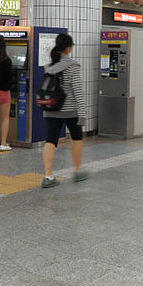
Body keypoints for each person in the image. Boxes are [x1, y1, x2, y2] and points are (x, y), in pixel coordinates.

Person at [41, 33, 88, 188]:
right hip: (70, 111)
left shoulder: (49, 66)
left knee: (51, 140)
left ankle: (48, 176)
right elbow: (78, 91)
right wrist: (82, 113)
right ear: (68, 47)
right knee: (77, 138)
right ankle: (77, 170)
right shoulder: (72, 66)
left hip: (51, 109)